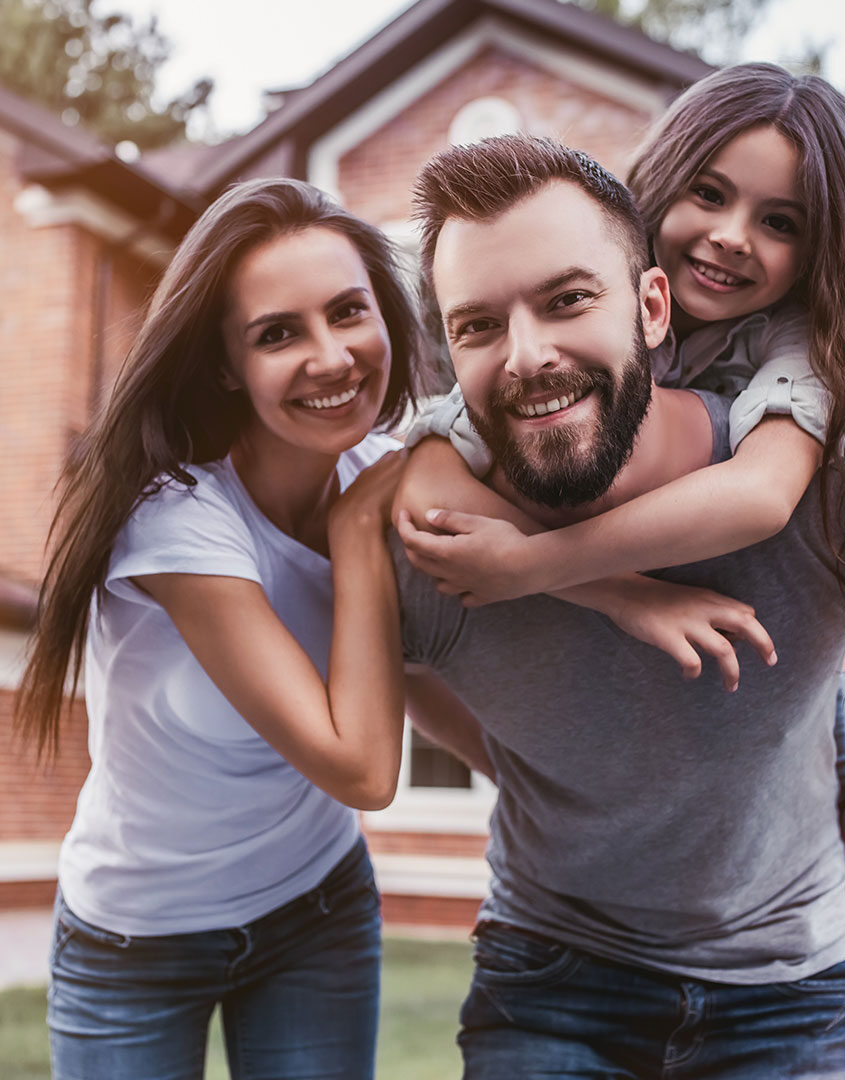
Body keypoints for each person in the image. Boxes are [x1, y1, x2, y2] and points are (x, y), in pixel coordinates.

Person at [396, 64, 845, 1076]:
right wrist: (586, 626)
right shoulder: (550, 345)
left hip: (790, 928)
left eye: (782, 221)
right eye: (711, 194)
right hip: (559, 948)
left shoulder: (811, 364)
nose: (733, 237)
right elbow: (413, 493)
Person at [14, 178, 489, 1080]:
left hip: (316, 911)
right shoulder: (177, 519)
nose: (332, 356)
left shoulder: (385, 470)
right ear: (227, 364)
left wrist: (559, 789)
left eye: (349, 312)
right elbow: (361, 767)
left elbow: (405, 673)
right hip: (135, 942)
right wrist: (354, 533)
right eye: (279, 333)